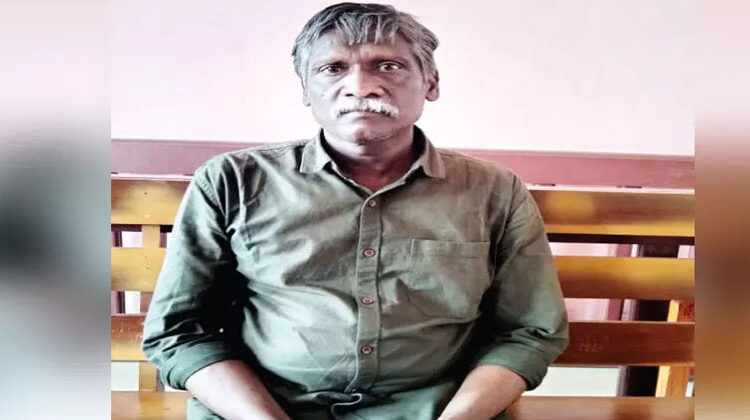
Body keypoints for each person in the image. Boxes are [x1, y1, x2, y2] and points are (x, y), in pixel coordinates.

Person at [142, 3, 569, 419]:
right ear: (305, 90)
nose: (361, 87)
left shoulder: (494, 191)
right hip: (261, 407)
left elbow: (528, 331)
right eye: (333, 69)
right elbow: (179, 330)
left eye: (388, 66)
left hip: (436, 408)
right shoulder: (232, 181)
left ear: (431, 83)